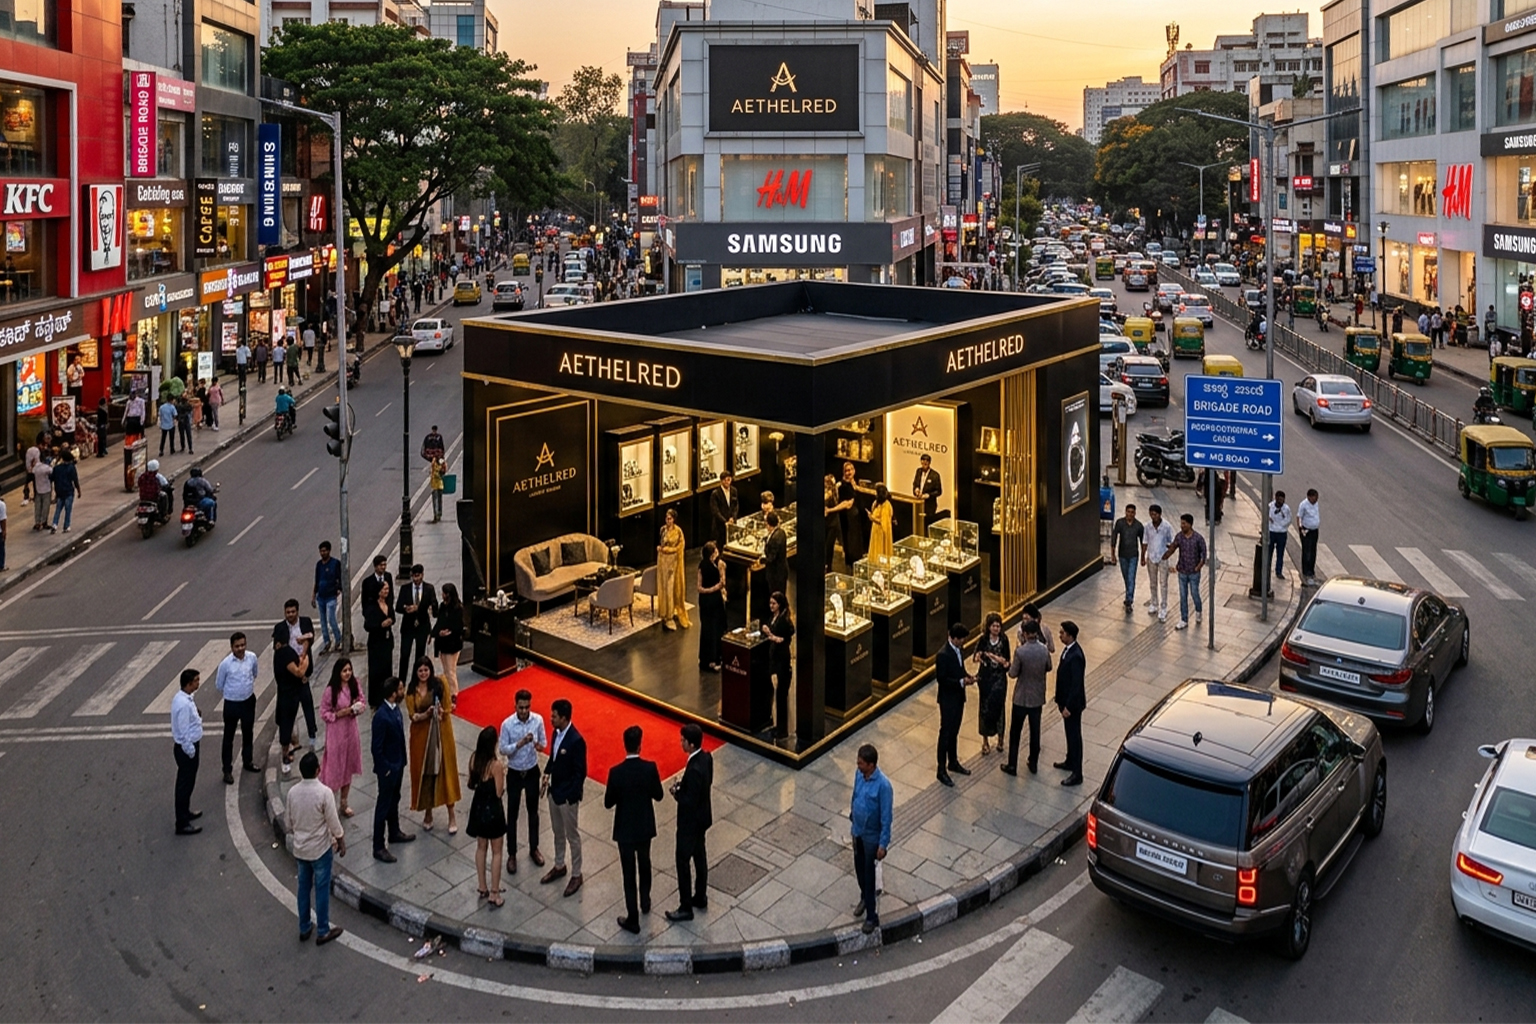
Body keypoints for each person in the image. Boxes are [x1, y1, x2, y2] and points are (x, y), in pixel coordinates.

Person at [606, 725, 664, 934]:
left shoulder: (616, 772)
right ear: (640, 745)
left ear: (624, 745)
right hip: (644, 826)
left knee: (628, 872)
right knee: (645, 863)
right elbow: (658, 795)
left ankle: (633, 917)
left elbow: (608, 802)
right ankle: (645, 900)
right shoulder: (650, 768)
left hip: (624, 829)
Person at [287, 751, 347, 945]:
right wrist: (340, 840)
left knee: (303, 887)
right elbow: (333, 821)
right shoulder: (324, 793)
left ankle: (304, 927)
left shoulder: (292, 793)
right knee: (321, 889)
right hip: (320, 849)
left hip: (301, 849)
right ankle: (323, 929)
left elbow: (288, 822)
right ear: (318, 770)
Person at [405, 658, 460, 833]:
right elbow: (412, 715)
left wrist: (441, 713)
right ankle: (427, 813)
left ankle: (452, 815)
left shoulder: (439, 684)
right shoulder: (411, 691)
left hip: (440, 734)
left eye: (426, 670)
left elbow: (447, 710)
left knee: (445, 773)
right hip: (421, 737)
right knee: (425, 773)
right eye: (420, 671)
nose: (423, 674)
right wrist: (425, 715)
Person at [666, 723, 713, 923]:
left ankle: (686, 906)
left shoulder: (693, 769)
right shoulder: (707, 758)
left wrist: (677, 792)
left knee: (683, 862)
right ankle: (700, 895)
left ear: (691, 744)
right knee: (700, 856)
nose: (681, 743)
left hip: (690, 824)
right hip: (703, 818)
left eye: (683, 740)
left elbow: (688, 801)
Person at [498, 688, 547, 874]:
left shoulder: (538, 720)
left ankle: (534, 848)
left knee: (533, 812)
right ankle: (511, 853)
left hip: (532, 770)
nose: (524, 711)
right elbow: (503, 749)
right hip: (515, 772)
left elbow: (544, 743)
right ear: (515, 706)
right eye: (521, 708)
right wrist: (519, 744)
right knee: (512, 813)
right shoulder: (508, 725)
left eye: (527, 707)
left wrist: (537, 745)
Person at [541, 698, 587, 896]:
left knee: (572, 836)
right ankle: (559, 865)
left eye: (554, 716)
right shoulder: (556, 733)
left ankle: (577, 873)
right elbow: (553, 758)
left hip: (567, 797)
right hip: (554, 792)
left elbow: (580, 772)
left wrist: (571, 796)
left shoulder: (576, 741)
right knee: (557, 832)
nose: (551, 719)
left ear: (564, 718)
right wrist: (547, 773)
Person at [849, 743, 893, 935]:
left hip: (871, 836)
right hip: (857, 832)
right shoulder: (859, 775)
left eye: (861, 763)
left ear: (871, 765)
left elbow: (886, 817)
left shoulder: (883, 786)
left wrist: (883, 843)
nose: (858, 766)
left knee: (868, 874)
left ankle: (871, 916)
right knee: (859, 870)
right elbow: (855, 795)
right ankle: (864, 898)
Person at [371, 676, 414, 861]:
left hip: (398, 764)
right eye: (400, 689)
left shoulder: (395, 710)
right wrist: (386, 768)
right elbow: (376, 748)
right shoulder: (381, 716)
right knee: (383, 804)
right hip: (389, 768)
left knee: (394, 799)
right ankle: (378, 845)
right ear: (393, 693)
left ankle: (394, 831)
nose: (402, 692)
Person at [1002, 620, 1052, 776]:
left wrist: (1008, 665)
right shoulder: (1044, 650)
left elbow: (1012, 673)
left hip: (1021, 697)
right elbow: (1049, 667)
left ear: (1024, 633)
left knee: (1015, 732)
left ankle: (1012, 765)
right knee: (1035, 731)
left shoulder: (1020, 652)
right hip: (1037, 697)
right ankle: (1033, 762)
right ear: (1036, 633)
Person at [465, 725, 508, 907]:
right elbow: (499, 792)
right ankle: (495, 892)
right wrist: (503, 774)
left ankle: (482, 886)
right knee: (497, 851)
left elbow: (471, 783)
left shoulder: (474, 759)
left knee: (481, 847)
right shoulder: (495, 765)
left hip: (478, 807)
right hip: (493, 809)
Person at [318, 658, 365, 816]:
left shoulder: (354, 685)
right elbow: (324, 712)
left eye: (349, 670)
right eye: (344, 671)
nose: (347, 673)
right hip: (336, 732)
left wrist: (356, 709)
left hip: (351, 731)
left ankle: (344, 802)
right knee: (334, 768)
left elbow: (362, 701)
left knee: (348, 767)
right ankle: (329, 804)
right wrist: (338, 714)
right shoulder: (331, 690)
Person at [214, 632, 260, 785]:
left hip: (248, 701)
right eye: (237, 646)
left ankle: (248, 761)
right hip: (232, 704)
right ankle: (227, 770)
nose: (240, 648)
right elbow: (219, 684)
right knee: (229, 737)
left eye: (243, 645)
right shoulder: (225, 664)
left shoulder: (252, 657)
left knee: (248, 733)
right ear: (232, 647)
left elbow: (254, 673)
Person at [935, 622, 974, 787]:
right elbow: (942, 679)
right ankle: (941, 769)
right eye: (962, 639)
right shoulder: (943, 654)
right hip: (948, 699)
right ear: (954, 638)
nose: (964, 642)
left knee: (955, 731)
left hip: (959, 697)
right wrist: (960, 681)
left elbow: (960, 669)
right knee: (946, 732)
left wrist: (967, 677)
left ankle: (953, 761)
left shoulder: (959, 650)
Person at [273, 628, 312, 775]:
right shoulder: (286, 654)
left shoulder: (280, 653)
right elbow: (298, 672)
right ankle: (285, 757)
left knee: (288, 721)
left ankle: (293, 743)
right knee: (286, 724)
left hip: (285, 693)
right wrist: (305, 661)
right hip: (289, 695)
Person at [171, 668, 203, 835]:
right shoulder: (183, 704)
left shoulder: (185, 699)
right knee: (184, 785)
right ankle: (182, 822)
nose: (199, 683)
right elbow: (183, 733)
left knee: (188, 784)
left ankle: (186, 812)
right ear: (189, 683)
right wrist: (191, 752)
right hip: (187, 750)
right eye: (196, 680)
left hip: (189, 747)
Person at [1054, 621, 1086, 786]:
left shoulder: (1076, 656)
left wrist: (1068, 706)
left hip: (1072, 706)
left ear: (1070, 635)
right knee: (1069, 733)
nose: (1060, 635)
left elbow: (1076, 684)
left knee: (1074, 736)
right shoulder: (1068, 651)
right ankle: (1069, 760)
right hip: (1064, 701)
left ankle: (1077, 773)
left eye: (1062, 633)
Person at [974, 612, 1010, 756]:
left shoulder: (1004, 639)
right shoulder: (983, 639)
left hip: (999, 679)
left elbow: (1007, 660)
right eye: (994, 626)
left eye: (998, 626)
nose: (996, 628)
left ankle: (1000, 739)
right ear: (989, 627)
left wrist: (995, 657)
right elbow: (975, 656)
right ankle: (985, 741)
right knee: (984, 708)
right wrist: (979, 656)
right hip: (985, 679)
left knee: (999, 707)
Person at [1164, 514, 1208, 630]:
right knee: (1183, 596)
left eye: (1184, 523)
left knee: (1194, 593)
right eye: (1181, 523)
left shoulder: (1198, 538)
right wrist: (1165, 556)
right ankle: (1184, 619)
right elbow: (1173, 547)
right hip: (1182, 571)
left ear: (1190, 524)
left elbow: (1204, 554)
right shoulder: (1179, 537)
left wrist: (1198, 567)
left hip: (1194, 572)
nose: (1182, 526)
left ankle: (1198, 611)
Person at [395, 564, 438, 681]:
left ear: (422, 575)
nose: (416, 579)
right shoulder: (405, 589)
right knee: (404, 654)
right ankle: (402, 681)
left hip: (422, 626)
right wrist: (406, 608)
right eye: (414, 576)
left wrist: (419, 608)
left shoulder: (429, 589)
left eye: (418, 576)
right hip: (408, 627)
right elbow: (398, 607)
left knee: (420, 655)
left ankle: (417, 680)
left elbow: (434, 605)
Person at [762, 591, 794, 740]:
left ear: (779, 604)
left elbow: (783, 640)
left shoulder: (784, 621)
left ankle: (783, 730)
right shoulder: (773, 617)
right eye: (770, 603)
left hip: (782, 662)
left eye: (773, 603)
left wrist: (770, 634)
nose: (771, 606)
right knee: (776, 696)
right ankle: (777, 725)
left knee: (781, 697)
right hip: (774, 659)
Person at [656, 508, 691, 631]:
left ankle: (670, 615)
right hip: (662, 562)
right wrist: (660, 549)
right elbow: (660, 544)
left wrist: (669, 550)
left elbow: (680, 547)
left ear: (674, 519)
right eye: (666, 518)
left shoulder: (678, 532)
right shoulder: (662, 530)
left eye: (670, 518)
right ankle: (664, 613)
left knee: (670, 588)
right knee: (663, 587)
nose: (667, 520)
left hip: (672, 563)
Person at [364, 579, 396, 708]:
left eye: (388, 589)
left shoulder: (388, 603)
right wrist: (380, 625)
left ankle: (387, 695)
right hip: (376, 643)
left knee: (387, 669)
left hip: (387, 641)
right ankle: (375, 699)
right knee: (375, 671)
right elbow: (367, 625)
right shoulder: (372, 607)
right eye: (384, 589)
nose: (386, 592)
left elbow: (392, 616)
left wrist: (390, 621)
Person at [1141, 504, 1175, 622]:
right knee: (1153, 582)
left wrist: (1168, 554)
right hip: (1151, 557)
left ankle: (1163, 607)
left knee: (1163, 583)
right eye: (1151, 514)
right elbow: (1145, 541)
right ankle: (1154, 603)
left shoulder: (1167, 526)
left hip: (1163, 558)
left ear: (1160, 514)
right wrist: (1143, 556)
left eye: (1155, 514)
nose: (1153, 516)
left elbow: (1172, 542)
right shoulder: (1147, 527)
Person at [696, 542, 727, 672]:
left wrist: (707, 591)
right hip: (714, 600)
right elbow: (722, 583)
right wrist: (714, 589)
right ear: (712, 554)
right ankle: (715, 659)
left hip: (704, 601)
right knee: (715, 629)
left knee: (706, 629)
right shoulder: (718, 565)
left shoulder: (701, 566)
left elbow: (699, 587)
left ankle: (705, 659)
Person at [433, 582, 466, 700]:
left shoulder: (458, 608)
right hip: (443, 643)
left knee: (450, 670)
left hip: (452, 643)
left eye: (444, 593)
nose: (442, 595)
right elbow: (440, 621)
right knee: (446, 670)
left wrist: (448, 631)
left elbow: (459, 626)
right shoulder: (443, 606)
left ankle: (454, 693)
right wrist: (437, 633)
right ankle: (448, 690)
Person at [1111, 503, 1143, 610]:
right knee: (1126, 577)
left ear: (1135, 513)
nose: (1130, 514)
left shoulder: (1138, 526)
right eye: (1128, 512)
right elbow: (1114, 537)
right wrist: (1113, 554)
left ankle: (1129, 599)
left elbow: (1143, 542)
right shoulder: (1120, 523)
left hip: (1133, 555)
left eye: (1132, 512)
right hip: (1122, 555)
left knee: (1131, 577)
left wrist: (1143, 556)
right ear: (1125, 512)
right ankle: (1128, 593)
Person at [312, 542, 343, 654]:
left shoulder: (335, 563)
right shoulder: (319, 565)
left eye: (324, 551)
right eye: (321, 551)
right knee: (323, 621)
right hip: (321, 596)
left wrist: (339, 588)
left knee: (331, 618)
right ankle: (327, 642)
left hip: (331, 596)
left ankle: (338, 638)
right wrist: (313, 595)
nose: (322, 553)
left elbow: (340, 577)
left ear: (329, 551)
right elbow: (317, 580)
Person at [837, 461, 865, 565]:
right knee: (850, 540)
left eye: (851, 470)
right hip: (848, 518)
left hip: (856, 517)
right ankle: (851, 561)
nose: (849, 472)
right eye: (847, 470)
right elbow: (848, 503)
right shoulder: (843, 486)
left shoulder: (854, 483)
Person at [48, 450, 80, 533]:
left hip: (59, 491)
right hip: (68, 491)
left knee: (58, 509)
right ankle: (66, 526)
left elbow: (51, 478)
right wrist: (79, 490)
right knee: (68, 509)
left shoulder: (57, 468)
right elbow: (75, 480)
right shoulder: (71, 467)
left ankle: (54, 524)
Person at [707, 472, 738, 549]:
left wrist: (733, 518)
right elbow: (715, 511)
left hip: (731, 524)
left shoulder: (734, 491)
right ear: (721, 481)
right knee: (720, 547)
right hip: (719, 526)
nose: (727, 482)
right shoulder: (715, 493)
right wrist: (725, 521)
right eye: (725, 480)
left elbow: (736, 505)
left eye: (728, 480)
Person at [1297, 489, 1321, 587]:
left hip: (1314, 530)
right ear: (1309, 497)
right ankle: (1305, 572)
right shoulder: (1303, 505)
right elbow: (1298, 517)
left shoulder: (1316, 504)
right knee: (1306, 551)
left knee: (1313, 551)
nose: (1316, 499)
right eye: (1314, 497)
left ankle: (1311, 571)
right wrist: (1300, 528)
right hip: (1306, 530)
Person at [1268, 489, 1293, 581]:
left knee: (1280, 553)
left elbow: (1288, 520)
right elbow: (1268, 517)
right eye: (1279, 500)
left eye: (1282, 500)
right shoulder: (1270, 506)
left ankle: (1279, 571)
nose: (1281, 502)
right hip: (1271, 532)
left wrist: (1279, 525)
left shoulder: (1286, 509)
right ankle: (1267, 569)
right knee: (1269, 552)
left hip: (1281, 533)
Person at [866, 483, 894, 559]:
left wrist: (872, 518)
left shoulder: (886, 505)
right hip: (875, 531)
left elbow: (884, 521)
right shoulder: (877, 503)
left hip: (881, 533)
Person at [912, 453, 942, 519]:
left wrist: (928, 495)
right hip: (919, 502)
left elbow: (939, 491)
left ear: (929, 463)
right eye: (922, 463)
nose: (924, 465)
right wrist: (916, 489)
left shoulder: (935, 475)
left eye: (926, 463)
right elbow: (915, 483)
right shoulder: (918, 471)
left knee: (927, 522)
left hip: (929, 505)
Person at [30, 449, 51, 531]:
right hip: (46, 489)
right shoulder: (46, 468)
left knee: (38, 507)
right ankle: (44, 522)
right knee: (45, 506)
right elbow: (51, 472)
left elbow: (32, 471)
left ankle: (37, 522)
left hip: (38, 489)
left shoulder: (36, 468)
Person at [428, 455, 446, 523]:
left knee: (436, 499)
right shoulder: (435, 461)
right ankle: (437, 514)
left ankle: (437, 514)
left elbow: (443, 471)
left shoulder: (436, 461)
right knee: (438, 500)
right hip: (437, 484)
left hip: (437, 483)